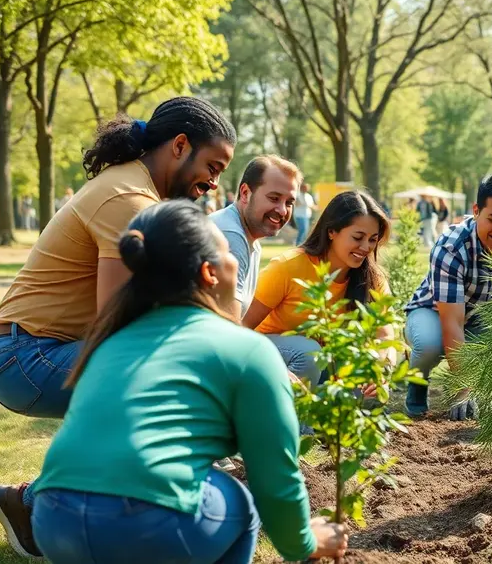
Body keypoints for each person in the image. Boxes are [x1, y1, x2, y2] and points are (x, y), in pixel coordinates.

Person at [0, 96, 236, 558]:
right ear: (180, 145)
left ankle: (34, 503)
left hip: (38, 349)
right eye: (212, 166)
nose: (214, 183)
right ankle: (39, 504)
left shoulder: (139, 193)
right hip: (23, 357)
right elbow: (119, 323)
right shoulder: (127, 200)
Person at [23, 200, 348, 563]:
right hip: (148, 523)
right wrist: (305, 542)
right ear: (210, 273)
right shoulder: (247, 349)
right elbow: (274, 480)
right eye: (227, 252)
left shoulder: (111, 341)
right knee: (239, 498)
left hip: (53, 517)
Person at [404, 173, 492, 420]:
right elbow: (452, 323)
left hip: (485, 319)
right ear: (476, 211)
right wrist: (464, 389)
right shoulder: (452, 247)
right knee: (430, 344)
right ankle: (417, 385)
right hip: (434, 311)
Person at [242, 191, 395, 386]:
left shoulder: (372, 279)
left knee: (366, 384)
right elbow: (241, 327)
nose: (366, 247)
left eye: (373, 239)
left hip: (324, 363)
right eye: (358, 237)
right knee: (307, 352)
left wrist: (381, 368)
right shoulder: (288, 267)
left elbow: (385, 335)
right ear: (332, 232)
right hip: (271, 355)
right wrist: (276, 368)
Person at [210, 155, 302, 318]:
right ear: (245, 193)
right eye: (274, 198)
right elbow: (228, 326)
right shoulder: (231, 236)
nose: (282, 210)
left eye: (289, 203)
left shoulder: (250, 238)